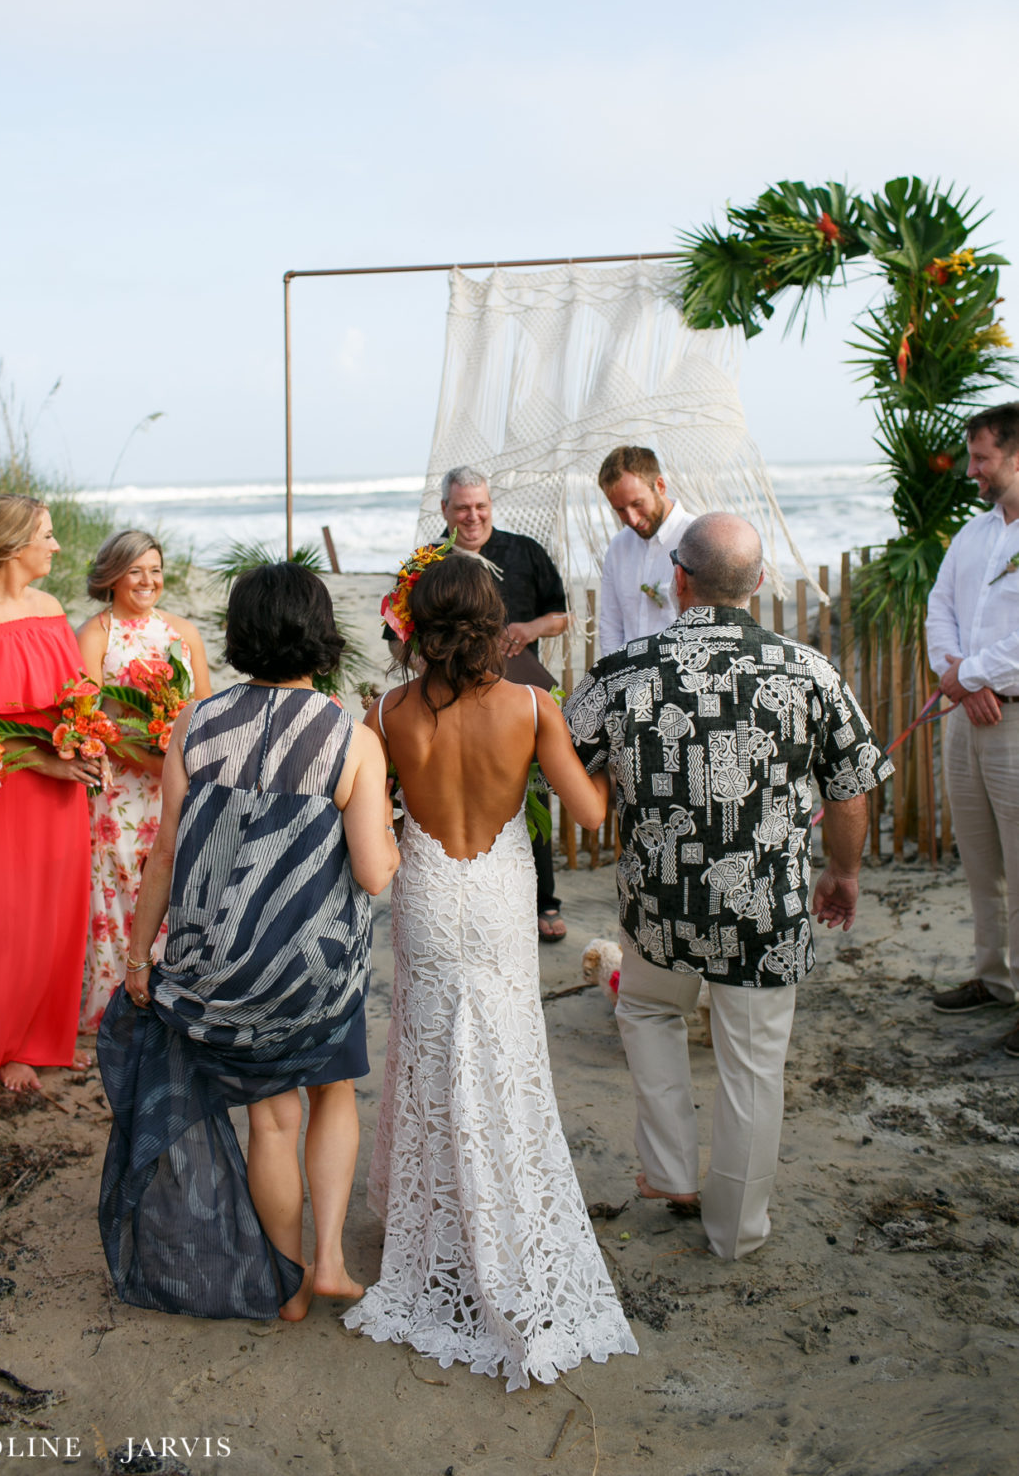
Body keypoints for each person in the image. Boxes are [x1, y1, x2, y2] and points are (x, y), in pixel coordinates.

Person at [345, 553, 638, 1388]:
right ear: (492, 624)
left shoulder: (387, 712)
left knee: (430, 1048)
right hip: (502, 896)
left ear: (419, 627)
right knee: (506, 1050)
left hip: (430, 895)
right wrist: (609, 761)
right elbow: (589, 812)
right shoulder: (532, 706)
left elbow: (368, 814)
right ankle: (507, 1215)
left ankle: (436, 1223)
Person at [565, 512, 891, 1261]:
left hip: (659, 903)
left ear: (678, 579)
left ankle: (671, 1172)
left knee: (649, 1011)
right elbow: (850, 791)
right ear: (760, 582)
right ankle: (736, 1231)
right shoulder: (809, 671)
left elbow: (564, 760)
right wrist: (842, 872)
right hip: (765, 910)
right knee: (753, 1066)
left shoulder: (621, 671)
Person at [98, 562, 397, 1322]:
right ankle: (331, 1261)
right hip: (313, 971)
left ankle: (286, 1282)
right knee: (332, 1093)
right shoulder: (351, 736)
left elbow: (165, 852)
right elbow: (373, 873)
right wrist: (393, 835)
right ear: (321, 634)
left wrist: (139, 957)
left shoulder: (196, 722)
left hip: (218, 971)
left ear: (240, 634)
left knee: (271, 1118)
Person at [0, 495, 99, 1106]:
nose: (57, 545)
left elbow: (76, 699)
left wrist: (88, 745)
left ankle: (33, 1040)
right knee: (1, 922)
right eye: (47, 535)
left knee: (55, 913)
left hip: (61, 791)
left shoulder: (50, 607)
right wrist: (45, 761)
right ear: (15, 545)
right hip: (8, 787)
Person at [75, 530, 212, 1032]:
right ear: (112, 576)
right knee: (117, 891)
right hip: (120, 790)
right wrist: (147, 756)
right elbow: (87, 722)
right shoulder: (96, 634)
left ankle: (170, 1001)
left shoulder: (183, 632)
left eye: (155, 570)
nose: (148, 580)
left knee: (175, 885)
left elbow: (204, 711)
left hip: (176, 788)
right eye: (135, 570)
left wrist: (176, 763)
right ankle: (112, 1011)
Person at [439, 465, 570, 940]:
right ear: (445, 510)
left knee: (532, 792)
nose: (472, 517)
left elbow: (562, 615)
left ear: (491, 505)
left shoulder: (524, 551)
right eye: (462, 508)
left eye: (481, 506)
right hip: (453, 703)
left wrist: (531, 628)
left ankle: (544, 900)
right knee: (464, 797)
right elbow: (398, 639)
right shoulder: (427, 563)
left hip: (517, 699)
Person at [925, 401, 1019, 1053]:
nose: (972, 470)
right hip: (966, 717)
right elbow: (939, 607)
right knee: (981, 858)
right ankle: (994, 978)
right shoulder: (973, 535)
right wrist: (955, 672)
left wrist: (975, 673)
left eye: (982, 458)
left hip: (1014, 719)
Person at [598, 445, 695, 656]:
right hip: (627, 670)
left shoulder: (698, 538)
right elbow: (610, 624)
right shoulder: (618, 546)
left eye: (637, 504)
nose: (632, 519)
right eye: (620, 510)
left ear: (660, 486)